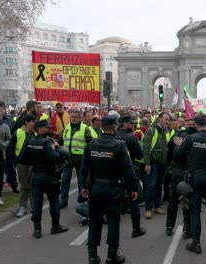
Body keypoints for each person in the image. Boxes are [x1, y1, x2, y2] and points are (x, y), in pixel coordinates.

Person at [81, 115, 138, 264]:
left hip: (95, 189)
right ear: (114, 127)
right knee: (113, 221)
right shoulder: (119, 146)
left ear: (102, 127)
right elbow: (128, 170)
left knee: (95, 222)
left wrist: (84, 187)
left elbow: (84, 169)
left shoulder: (92, 144)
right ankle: (112, 256)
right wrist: (133, 188)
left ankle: (92, 256)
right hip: (113, 190)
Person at [173, 114, 206, 254]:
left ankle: (196, 242)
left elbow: (177, 156)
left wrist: (179, 146)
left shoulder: (190, 138)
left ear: (195, 124)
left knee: (194, 209)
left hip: (194, 177)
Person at [22, 120, 68, 238]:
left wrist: (35, 161)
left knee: (37, 202)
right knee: (54, 200)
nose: (50, 129)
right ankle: (55, 226)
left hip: (35, 176)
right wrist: (57, 149)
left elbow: (22, 158)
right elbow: (53, 158)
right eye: (47, 128)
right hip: (49, 176)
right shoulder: (48, 142)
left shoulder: (29, 140)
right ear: (40, 129)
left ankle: (37, 230)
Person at [165, 118, 196, 239]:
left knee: (177, 199)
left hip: (179, 170)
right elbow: (169, 152)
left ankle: (170, 226)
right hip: (184, 171)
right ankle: (185, 228)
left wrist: (171, 165)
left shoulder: (178, 135)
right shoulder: (194, 136)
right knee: (184, 199)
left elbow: (169, 153)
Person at [116, 115, 146, 238]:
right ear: (125, 124)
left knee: (114, 198)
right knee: (134, 198)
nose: (133, 126)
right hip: (129, 171)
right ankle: (136, 228)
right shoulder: (132, 138)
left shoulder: (113, 136)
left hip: (113, 173)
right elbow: (140, 155)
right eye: (131, 123)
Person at [58, 109, 93, 209]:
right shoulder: (66, 128)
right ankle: (63, 201)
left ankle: (82, 201)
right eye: (72, 116)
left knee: (81, 182)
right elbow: (61, 141)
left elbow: (89, 144)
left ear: (80, 118)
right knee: (65, 180)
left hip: (80, 159)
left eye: (75, 117)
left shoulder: (85, 128)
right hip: (68, 159)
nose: (73, 118)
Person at [142, 112, 170, 219]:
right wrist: (147, 163)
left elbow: (168, 147)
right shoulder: (151, 130)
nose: (167, 122)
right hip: (153, 163)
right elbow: (146, 147)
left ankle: (157, 206)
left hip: (163, 163)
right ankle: (148, 208)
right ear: (159, 119)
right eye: (165, 119)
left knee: (159, 185)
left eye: (168, 120)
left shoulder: (167, 131)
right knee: (151, 186)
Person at [7, 115, 36, 218]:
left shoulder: (35, 133)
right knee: (24, 186)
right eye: (33, 121)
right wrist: (13, 162)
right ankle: (23, 206)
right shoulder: (18, 133)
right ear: (27, 122)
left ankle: (34, 207)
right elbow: (10, 148)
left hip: (33, 164)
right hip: (22, 164)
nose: (34, 123)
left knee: (33, 185)